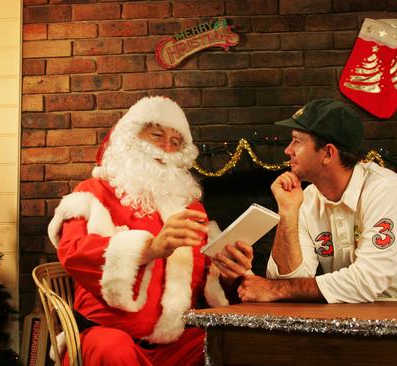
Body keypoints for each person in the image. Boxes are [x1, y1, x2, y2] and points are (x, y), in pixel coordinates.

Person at [47, 96, 253, 365]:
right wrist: (150, 248)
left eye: (176, 142)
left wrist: (228, 273)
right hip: (110, 335)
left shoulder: (189, 207)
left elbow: (204, 282)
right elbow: (73, 253)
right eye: (157, 136)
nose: (166, 148)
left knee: (230, 344)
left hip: (176, 343)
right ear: (130, 139)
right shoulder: (92, 193)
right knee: (112, 348)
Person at [238, 98, 397, 303]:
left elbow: (366, 282)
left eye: (297, 141)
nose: (287, 150)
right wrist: (287, 213)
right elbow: (291, 284)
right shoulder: (306, 199)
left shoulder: (384, 188)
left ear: (328, 153)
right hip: (353, 315)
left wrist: (276, 289)